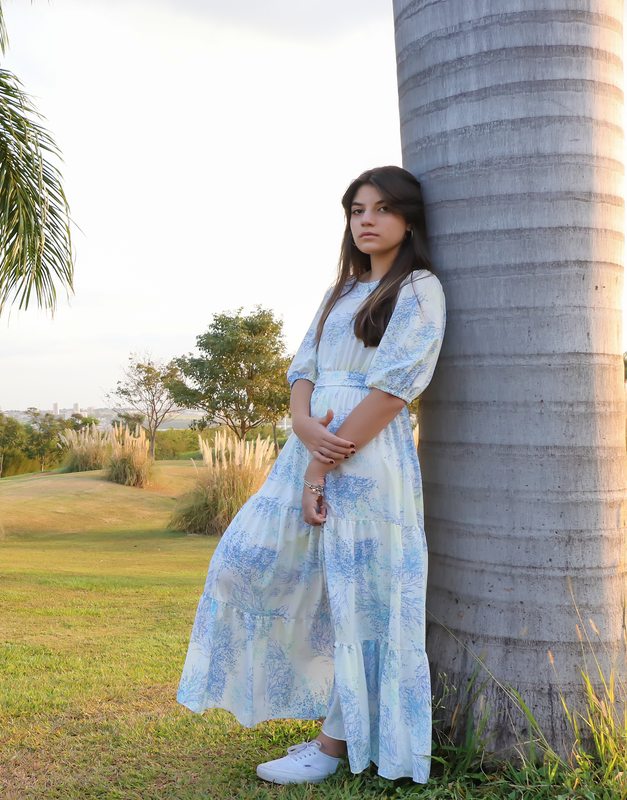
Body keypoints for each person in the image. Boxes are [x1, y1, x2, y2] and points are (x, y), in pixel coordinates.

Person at [175, 166, 445, 785]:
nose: (367, 220)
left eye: (382, 208)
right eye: (357, 209)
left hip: (366, 457)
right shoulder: (341, 290)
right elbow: (303, 368)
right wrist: (301, 425)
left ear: (409, 220)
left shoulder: (419, 289)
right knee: (242, 562)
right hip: (309, 448)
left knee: (361, 597)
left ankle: (332, 745)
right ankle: (322, 716)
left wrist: (322, 462)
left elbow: (394, 389)